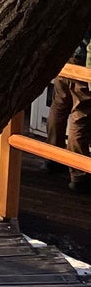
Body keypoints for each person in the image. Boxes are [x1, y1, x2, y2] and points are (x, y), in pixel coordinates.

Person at [47, 36, 91, 189]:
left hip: (66, 56)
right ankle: (79, 173)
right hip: (84, 62)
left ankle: (53, 158)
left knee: (59, 106)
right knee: (81, 115)